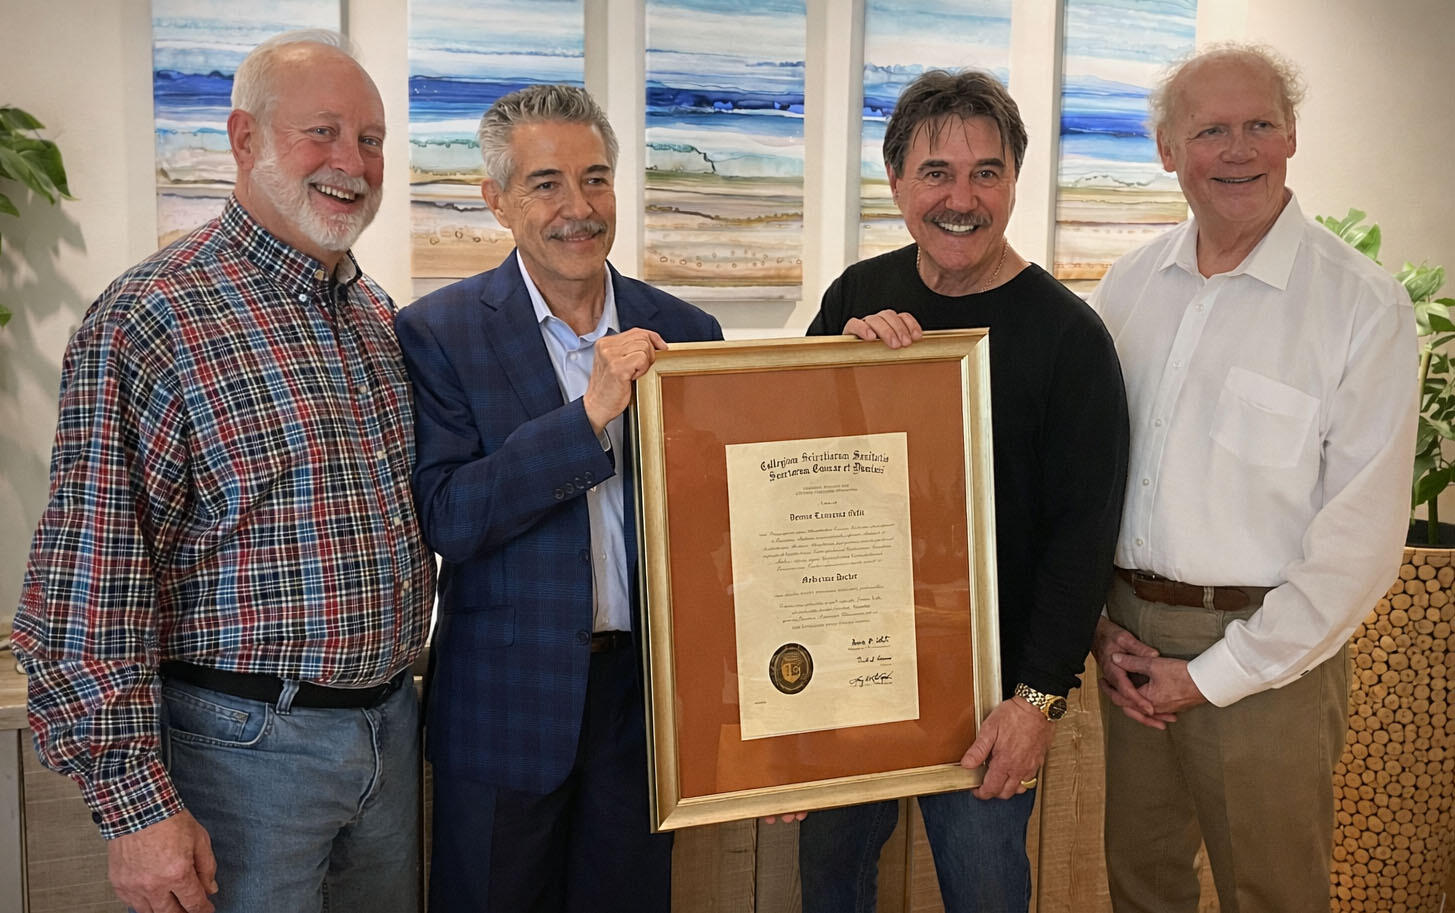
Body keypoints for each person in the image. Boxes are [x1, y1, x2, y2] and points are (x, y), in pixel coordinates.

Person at [10, 30, 435, 913]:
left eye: (370, 139)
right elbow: (91, 581)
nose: (352, 162)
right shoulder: (150, 316)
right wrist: (134, 809)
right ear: (245, 138)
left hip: (390, 734)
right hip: (242, 754)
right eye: (322, 132)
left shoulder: (374, 315)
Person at [1090, 43, 1416, 913]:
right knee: (1140, 887)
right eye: (1210, 131)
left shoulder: (1360, 306)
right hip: (1127, 643)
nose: (1238, 151)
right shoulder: (1126, 288)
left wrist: (1210, 675)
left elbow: (1358, 545)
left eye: (1260, 125)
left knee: (1273, 896)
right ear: (1167, 149)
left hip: (1269, 659)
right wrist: (1098, 623)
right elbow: (1086, 473)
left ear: (1291, 136)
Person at [795, 69, 1129, 913]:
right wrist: (837, 369)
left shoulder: (1069, 337)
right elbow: (793, 467)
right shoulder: (856, 297)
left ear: (1014, 180)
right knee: (830, 879)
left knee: (985, 892)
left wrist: (1036, 702)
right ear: (895, 181)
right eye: (936, 173)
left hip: (989, 691)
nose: (961, 198)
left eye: (986, 172)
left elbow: (1080, 539)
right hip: (851, 669)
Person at [394, 84, 723, 913]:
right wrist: (587, 418)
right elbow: (450, 515)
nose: (578, 208)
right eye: (546, 184)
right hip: (504, 712)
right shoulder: (438, 331)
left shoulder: (687, 331)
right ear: (497, 200)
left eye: (595, 179)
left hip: (643, 712)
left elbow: (716, 524)